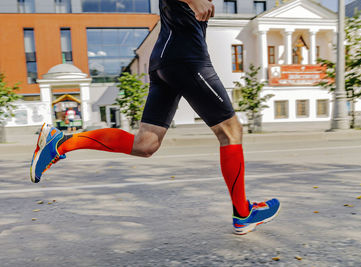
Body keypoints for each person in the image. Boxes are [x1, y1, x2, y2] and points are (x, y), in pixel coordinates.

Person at [30, 0, 280, 235]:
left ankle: (61, 142)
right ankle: (242, 213)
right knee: (231, 131)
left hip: (165, 61)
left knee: (145, 144)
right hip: (186, 59)